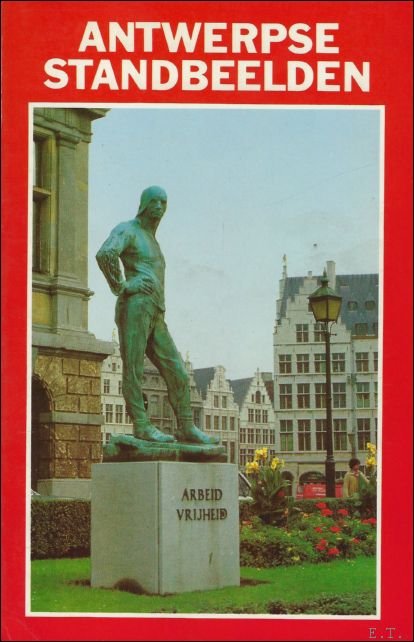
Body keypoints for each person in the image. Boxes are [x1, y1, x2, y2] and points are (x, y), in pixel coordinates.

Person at [96, 185, 218, 445]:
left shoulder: (152, 240)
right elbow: (105, 253)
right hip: (136, 306)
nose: (160, 207)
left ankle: (186, 427)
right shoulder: (128, 229)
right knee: (134, 368)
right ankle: (141, 426)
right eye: (155, 202)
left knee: (178, 371)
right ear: (144, 204)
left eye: (164, 202)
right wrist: (122, 286)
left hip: (156, 311)